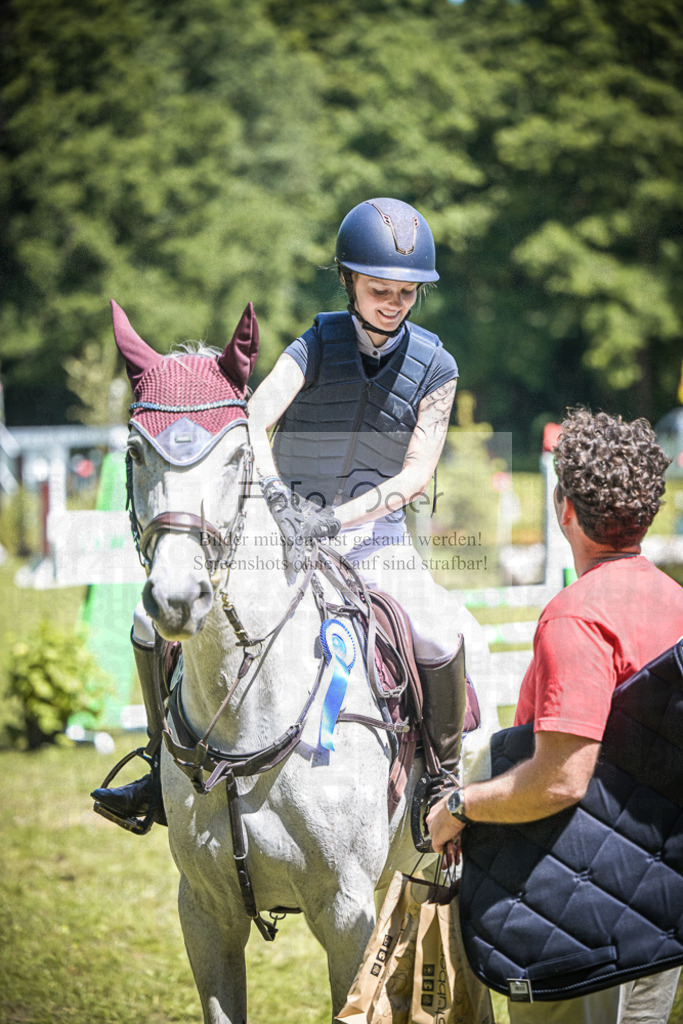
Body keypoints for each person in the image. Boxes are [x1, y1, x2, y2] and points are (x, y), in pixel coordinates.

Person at [93, 197, 495, 824]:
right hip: (281, 529)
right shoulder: (316, 342)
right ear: (348, 280)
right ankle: (155, 769)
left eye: (407, 293)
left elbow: (417, 474)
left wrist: (340, 520)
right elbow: (255, 418)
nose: (393, 302)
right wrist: (279, 498)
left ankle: (440, 785)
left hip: (373, 536)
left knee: (440, 630)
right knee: (153, 626)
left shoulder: (437, 368)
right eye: (379, 288)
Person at [426, 407, 683, 1024]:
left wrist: (459, 806)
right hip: (660, 898)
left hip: (581, 912)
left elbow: (561, 778)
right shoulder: (677, 602)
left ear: (564, 508)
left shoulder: (575, 617)